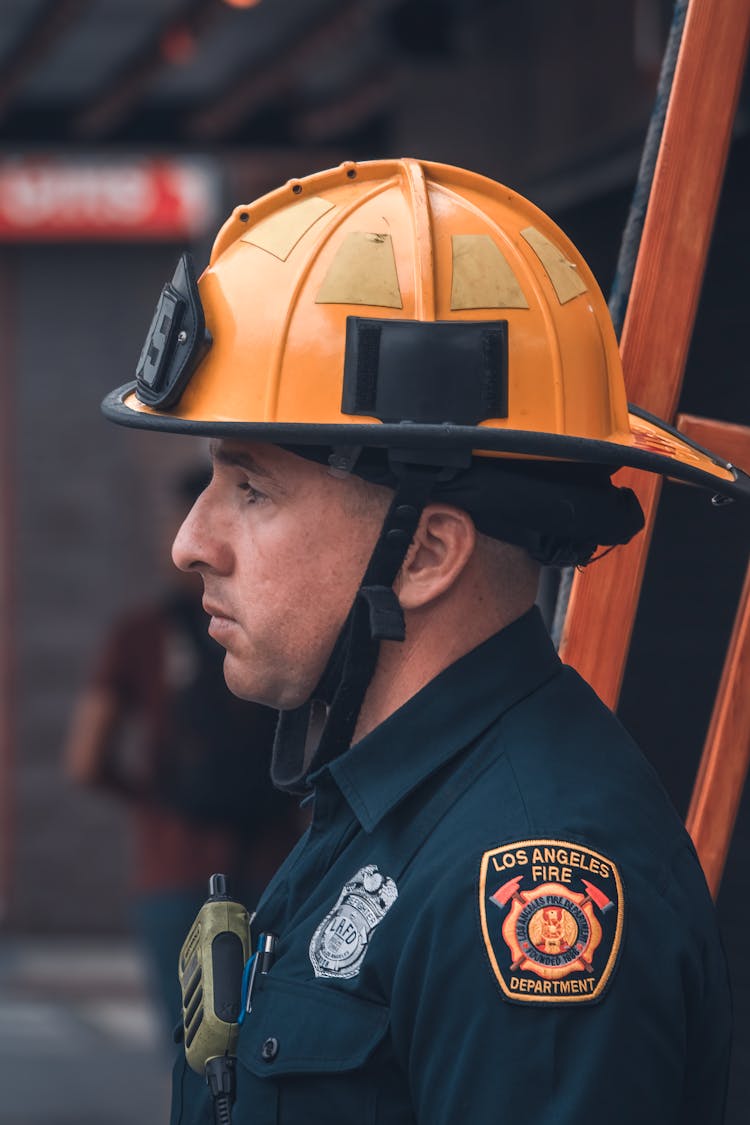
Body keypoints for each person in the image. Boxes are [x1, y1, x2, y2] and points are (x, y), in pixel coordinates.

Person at [102, 159, 748, 1123]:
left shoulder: (533, 873)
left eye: (252, 488)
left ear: (428, 551)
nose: (191, 542)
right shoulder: (388, 804)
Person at [65, 467, 300, 1037]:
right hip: (277, 867)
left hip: (174, 869)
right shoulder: (284, 627)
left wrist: (154, 798)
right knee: (276, 1059)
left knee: (194, 1061)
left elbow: (85, 758)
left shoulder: (142, 632)